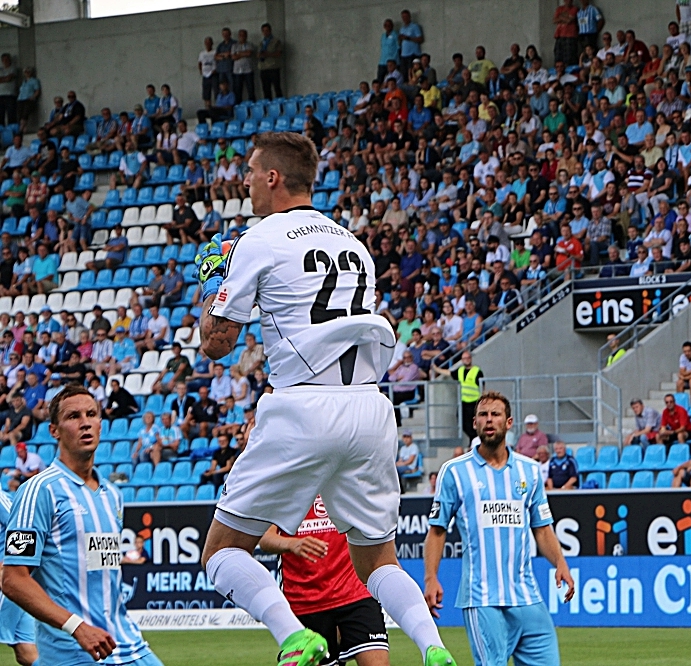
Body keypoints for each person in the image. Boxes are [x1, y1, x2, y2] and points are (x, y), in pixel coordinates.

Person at [193, 132, 454, 666]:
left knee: (221, 552)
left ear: (272, 177)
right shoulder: (352, 243)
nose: (243, 180)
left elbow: (217, 345)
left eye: (249, 170)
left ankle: (294, 636)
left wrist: (214, 276)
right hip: (370, 407)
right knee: (377, 560)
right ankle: (434, 647)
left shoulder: (258, 239)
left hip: (304, 406)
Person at [2, 386, 162, 666]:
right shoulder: (39, 491)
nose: (85, 422)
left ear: (101, 423)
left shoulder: (112, 494)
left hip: (128, 646)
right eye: (73, 416)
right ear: (54, 430)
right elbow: (13, 579)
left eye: (91, 414)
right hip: (75, 653)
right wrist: (76, 626)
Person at [424, 391, 575, 666]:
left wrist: (560, 562)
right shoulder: (455, 471)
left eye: (495, 414)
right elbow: (437, 531)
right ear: (475, 423)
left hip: (527, 597)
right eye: (483, 415)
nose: (489, 420)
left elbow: (541, 528)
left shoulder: (530, 471)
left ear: (508, 423)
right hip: (482, 598)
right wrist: (430, 577)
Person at [260, 495, 390, 666]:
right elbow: (264, 538)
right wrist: (291, 544)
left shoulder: (344, 478)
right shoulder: (286, 484)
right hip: (305, 601)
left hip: (355, 592)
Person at [0, 490, 37, 666]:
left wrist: (10, 563)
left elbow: (19, 527)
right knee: (26, 652)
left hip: (5, 582)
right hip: (16, 584)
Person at [431, 350, 482, 443]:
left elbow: (482, 386)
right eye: (464, 358)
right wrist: (436, 369)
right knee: (461, 423)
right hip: (463, 402)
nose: (466, 360)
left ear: (470, 359)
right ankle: (473, 439)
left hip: (474, 402)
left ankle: (474, 441)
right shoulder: (460, 370)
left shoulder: (477, 371)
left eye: (467, 358)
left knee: (474, 424)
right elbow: (449, 373)